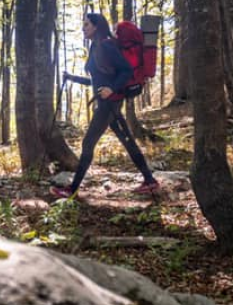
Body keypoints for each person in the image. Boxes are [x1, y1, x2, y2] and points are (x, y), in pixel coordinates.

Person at [54, 12, 160, 199]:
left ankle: (71, 190)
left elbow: (126, 71)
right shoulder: (97, 46)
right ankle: (150, 180)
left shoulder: (107, 45)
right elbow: (98, 81)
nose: (83, 28)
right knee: (127, 141)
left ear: (96, 26)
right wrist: (72, 78)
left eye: (86, 24)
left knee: (88, 143)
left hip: (109, 104)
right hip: (108, 103)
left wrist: (111, 89)